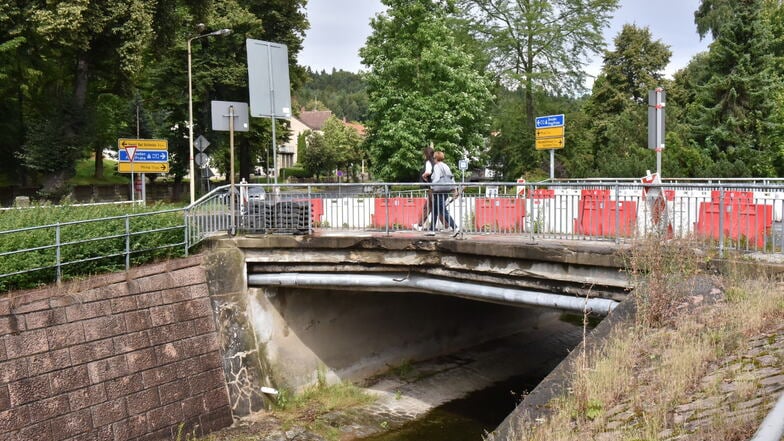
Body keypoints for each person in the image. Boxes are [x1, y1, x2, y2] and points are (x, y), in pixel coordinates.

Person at [426, 151, 458, 236]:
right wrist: (455, 189)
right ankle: (432, 230)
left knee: (442, 210)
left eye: (434, 157)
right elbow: (451, 177)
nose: (433, 158)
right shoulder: (446, 166)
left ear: (436, 158)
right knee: (435, 210)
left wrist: (432, 187)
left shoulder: (437, 166)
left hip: (439, 190)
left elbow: (436, 178)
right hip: (446, 189)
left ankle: (455, 227)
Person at [414, 146, 435, 231]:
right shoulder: (434, 162)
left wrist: (424, 176)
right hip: (433, 187)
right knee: (430, 207)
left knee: (432, 207)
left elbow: (428, 171)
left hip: (431, 187)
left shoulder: (428, 162)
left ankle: (450, 225)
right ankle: (419, 225)